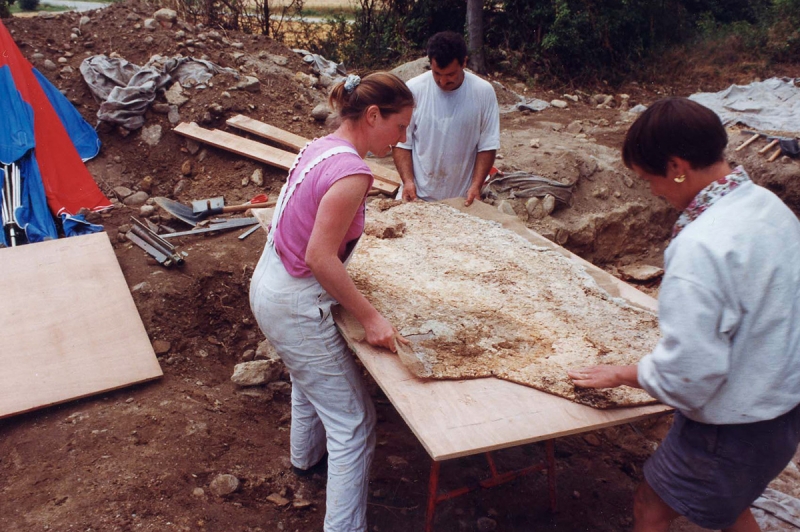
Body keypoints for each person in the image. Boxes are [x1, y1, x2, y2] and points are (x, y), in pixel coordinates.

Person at [568, 97, 800, 532]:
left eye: (649, 178)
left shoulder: (700, 246)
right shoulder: (768, 207)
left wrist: (624, 373)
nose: (653, 191)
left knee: (650, 507)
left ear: (677, 166)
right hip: (782, 410)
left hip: (732, 426)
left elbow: (691, 374)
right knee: (731, 502)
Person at [249, 72, 413, 532]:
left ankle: (305, 461)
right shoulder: (354, 172)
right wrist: (372, 317)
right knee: (354, 423)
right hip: (295, 300)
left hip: (269, 279)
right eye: (399, 127)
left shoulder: (319, 146)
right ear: (374, 115)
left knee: (310, 378)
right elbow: (320, 257)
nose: (403, 137)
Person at [392, 30, 500, 206]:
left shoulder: (483, 92)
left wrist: (476, 186)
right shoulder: (414, 89)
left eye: (450, 75)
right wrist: (408, 181)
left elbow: (487, 145)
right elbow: (402, 142)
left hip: (461, 200)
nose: (442, 82)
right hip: (417, 196)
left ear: (464, 62)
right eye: (436, 74)